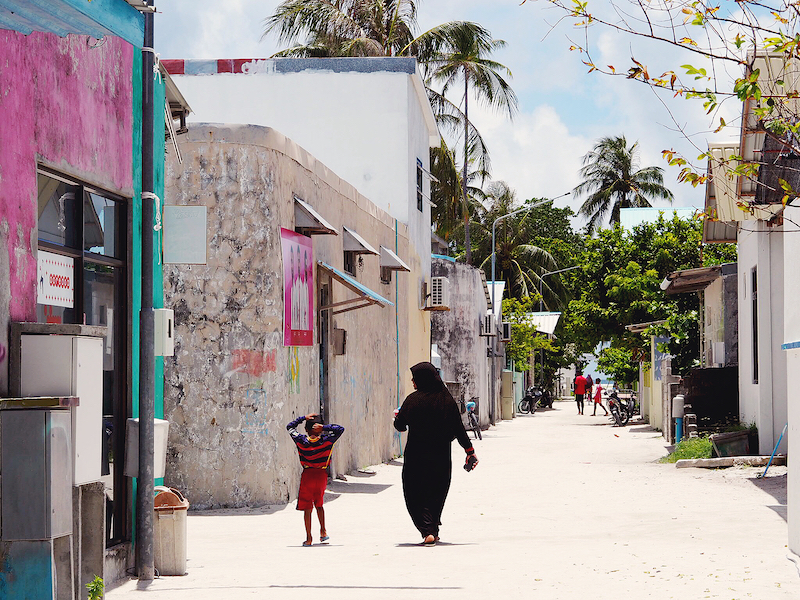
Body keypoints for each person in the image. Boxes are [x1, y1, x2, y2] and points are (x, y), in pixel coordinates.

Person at [393, 362, 478, 546]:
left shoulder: (412, 400)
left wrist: (398, 416)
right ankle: (433, 530)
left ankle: (427, 530)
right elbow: (459, 428)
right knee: (436, 491)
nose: (413, 382)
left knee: (414, 491)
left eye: (414, 379)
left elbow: (400, 426)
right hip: (441, 456)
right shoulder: (447, 400)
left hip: (416, 456)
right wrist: (469, 451)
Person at [287, 413, 344, 546]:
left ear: (306, 430)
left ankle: (309, 538)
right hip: (321, 475)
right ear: (318, 429)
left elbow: (290, 427)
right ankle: (323, 532)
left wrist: (303, 418)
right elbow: (340, 429)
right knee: (319, 504)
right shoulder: (327, 441)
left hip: (307, 475)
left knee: (307, 507)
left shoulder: (300, 440)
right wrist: (324, 427)